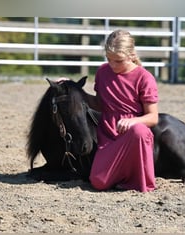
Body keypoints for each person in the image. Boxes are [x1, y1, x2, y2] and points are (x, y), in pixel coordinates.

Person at [59, 29, 159, 192]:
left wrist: (133, 121)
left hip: (133, 135)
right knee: (98, 182)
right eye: (109, 59)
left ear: (131, 55)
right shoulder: (103, 72)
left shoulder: (144, 77)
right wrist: (71, 87)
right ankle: (120, 177)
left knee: (139, 131)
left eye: (118, 61)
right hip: (107, 135)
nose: (112, 65)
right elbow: (98, 104)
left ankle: (134, 181)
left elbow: (153, 117)